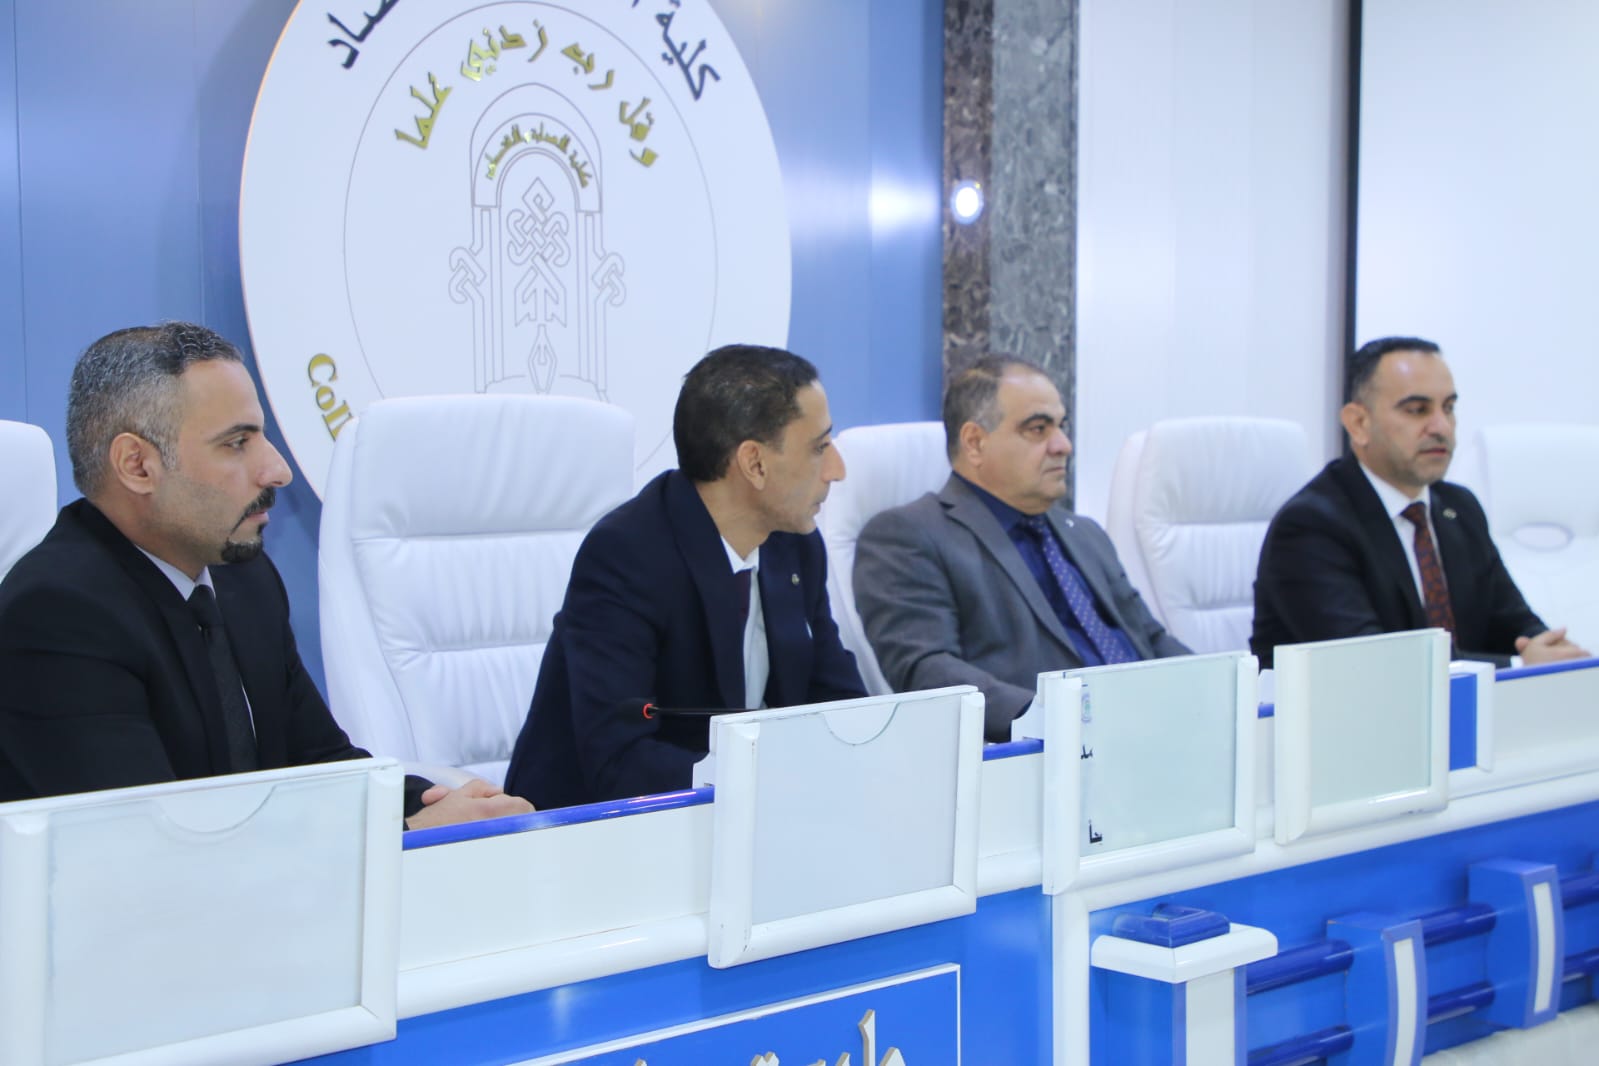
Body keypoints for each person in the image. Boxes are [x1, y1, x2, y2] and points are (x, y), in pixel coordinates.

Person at [0, 322, 531, 828]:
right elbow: (147, 844)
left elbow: (318, 763)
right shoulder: (54, 615)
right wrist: (404, 832)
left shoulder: (241, 577)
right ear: (137, 465)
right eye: (237, 443)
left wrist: (437, 804)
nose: (277, 470)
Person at [504, 344, 866, 809]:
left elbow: (839, 702)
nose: (837, 470)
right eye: (819, 448)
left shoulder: (794, 545)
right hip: (598, 829)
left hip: (748, 816)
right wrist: (770, 779)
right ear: (754, 463)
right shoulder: (627, 556)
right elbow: (619, 762)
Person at [853, 355, 1190, 741]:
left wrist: (1221, 688)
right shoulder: (908, 535)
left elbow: (1150, 639)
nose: (1063, 445)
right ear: (975, 443)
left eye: (1061, 426)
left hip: (1156, 735)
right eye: (1038, 429)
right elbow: (928, 673)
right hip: (1046, 754)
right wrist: (1065, 723)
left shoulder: (1085, 533)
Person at [1251, 336, 1589, 668]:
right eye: (1417, 410)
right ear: (1359, 423)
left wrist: (1552, 653)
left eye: (1449, 408)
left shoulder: (1458, 507)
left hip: (1458, 703)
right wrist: (1518, 665)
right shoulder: (1311, 526)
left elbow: (1514, 623)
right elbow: (1373, 664)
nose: (1441, 426)